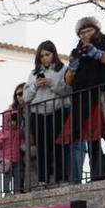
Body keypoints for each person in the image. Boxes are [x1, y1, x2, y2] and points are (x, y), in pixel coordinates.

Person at [64, 16, 105, 181]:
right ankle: (96, 172)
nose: (85, 34)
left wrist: (97, 54)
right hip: (82, 100)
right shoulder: (76, 51)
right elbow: (68, 80)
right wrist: (73, 65)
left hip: (102, 94)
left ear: (96, 30)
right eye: (82, 32)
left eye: (88, 30)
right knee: (90, 137)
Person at [27, 41, 72, 184]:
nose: (45, 58)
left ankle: (61, 178)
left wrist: (52, 83)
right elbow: (25, 97)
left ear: (54, 54)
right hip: (37, 114)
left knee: (59, 147)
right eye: (42, 56)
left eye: (48, 54)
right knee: (41, 148)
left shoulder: (63, 69)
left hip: (58, 111)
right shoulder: (33, 74)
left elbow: (68, 91)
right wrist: (35, 86)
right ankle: (43, 180)